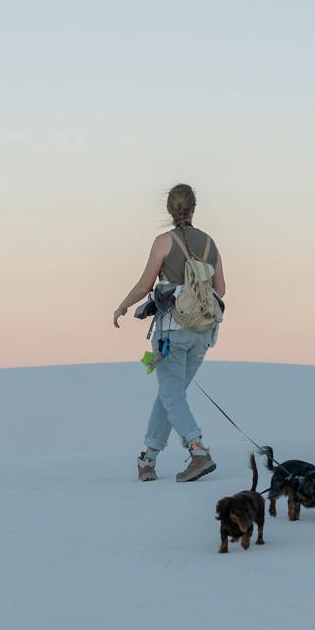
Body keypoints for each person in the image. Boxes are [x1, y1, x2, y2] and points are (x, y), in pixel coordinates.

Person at [112, 183, 226, 482]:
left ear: (169, 209)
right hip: (203, 332)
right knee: (171, 395)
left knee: (171, 394)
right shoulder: (210, 243)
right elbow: (221, 289)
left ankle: (198, 451)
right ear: (194, 208)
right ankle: (148, 459)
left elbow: (144, 284)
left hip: (171, 332)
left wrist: (123, 306)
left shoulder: (164, 241)